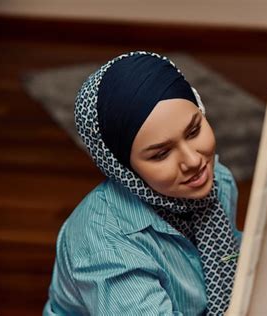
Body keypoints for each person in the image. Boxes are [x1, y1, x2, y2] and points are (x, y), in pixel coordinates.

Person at [43, 51, 241, 316]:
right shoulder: (104, 244)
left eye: (194, 131)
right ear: (124, 169)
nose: (193, 160)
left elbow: (230, 256)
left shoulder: (219, 182)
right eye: (161, 154)